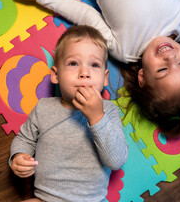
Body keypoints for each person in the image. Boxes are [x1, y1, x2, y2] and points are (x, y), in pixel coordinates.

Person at [12, 0, 180, 136]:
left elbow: (85, 14)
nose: (170, 57)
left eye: (163, 70)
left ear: (142, 77)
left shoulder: (124, 49)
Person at [9, 25, 128, 202]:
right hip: (46, 198)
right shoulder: (44, 107)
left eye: (94, 65)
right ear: (56, 75)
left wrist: (96, 117)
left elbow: (116, 160)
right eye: (73, 63)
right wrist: (18, 156)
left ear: (104, 78)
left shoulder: (108, 110)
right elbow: (24, 139)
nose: (84, 73)